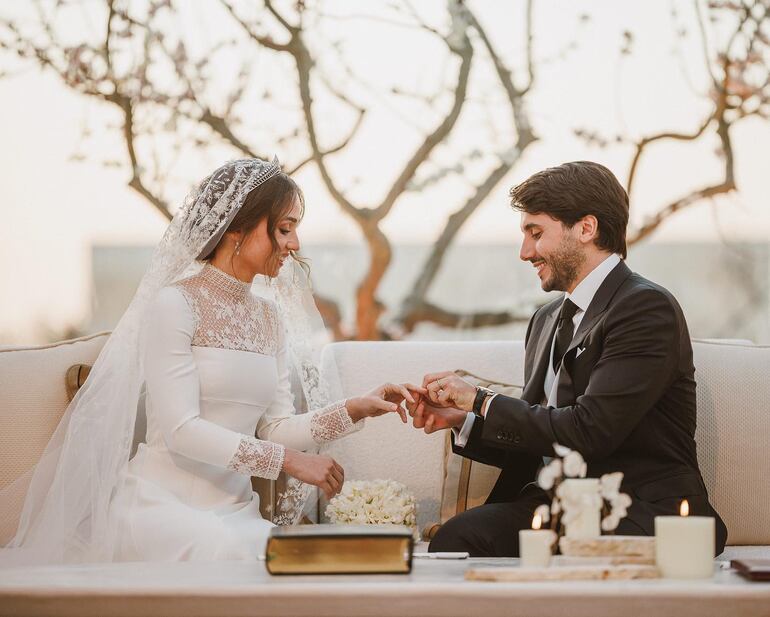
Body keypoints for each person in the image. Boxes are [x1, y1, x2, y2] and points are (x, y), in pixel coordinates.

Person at [2, 158, 414, 564]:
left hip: (237, 515)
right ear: (236, 228)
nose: (295, 244)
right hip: (163, 510)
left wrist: (355, 407)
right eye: (284, 228)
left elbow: (275, 428)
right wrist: (288, 462)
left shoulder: (269, 319)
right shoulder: (175, 304)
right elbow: (183, 431)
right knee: (231, 553)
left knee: (293, 559)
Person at [407, 161, 727, 557]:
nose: (525, 252)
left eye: (536, 233)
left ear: (586, 228)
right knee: (457, 537)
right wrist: (466, 421)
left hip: (638, 508)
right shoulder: (545, 320)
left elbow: (590, 432)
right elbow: (539, 434)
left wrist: (480, 399)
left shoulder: (645, 308)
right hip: (556, 505)